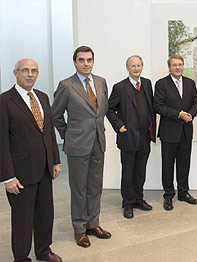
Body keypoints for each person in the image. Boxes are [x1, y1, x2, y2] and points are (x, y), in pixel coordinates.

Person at [0, 59, 62, 262]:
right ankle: (21, 257)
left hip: (44, 168)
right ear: (15, 72)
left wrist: (55, 160)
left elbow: (49, 133)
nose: (30, 74)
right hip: (20, 172)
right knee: (23, 219)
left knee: (45, 213)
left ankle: (44, 250)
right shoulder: (5, 101)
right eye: (25, 70)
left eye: (34, 71)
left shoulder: (42, 97)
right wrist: (7, 177)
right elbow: (1, 142)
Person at [52, 46, 111, 248]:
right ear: (75, 62)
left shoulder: (101, 82)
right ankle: (79, 228)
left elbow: (102, 110)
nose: (86, 63)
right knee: (79, 188)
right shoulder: (66, 85)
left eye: (89, 60)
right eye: (81, 60)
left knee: (95, 186)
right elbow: (55, 115)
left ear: (93, 61)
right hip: (77, 144)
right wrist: (67, 134)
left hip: (98, 141)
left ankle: (93, 224)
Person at [106, 55, 156, 219]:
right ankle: (128, 203)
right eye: (133, 66)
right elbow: (109, 109)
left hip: (144, 136)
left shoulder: (147, 84)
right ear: (127, 68)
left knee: (140, 171)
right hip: (128, 137)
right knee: (128, 172)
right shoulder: (120, 87)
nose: (136, 68)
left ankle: (138, 199)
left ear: (142, 67)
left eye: (139, 65)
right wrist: (119, 126)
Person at [154, 54, 197, 211]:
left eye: (180, 64)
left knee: (184, 164)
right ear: (169, 67)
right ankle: (168, 196)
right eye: (174, 65)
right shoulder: (161, 84)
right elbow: (158, 106)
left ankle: (183, 193)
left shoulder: (190, 83)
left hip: (186, 131)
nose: (177, 67)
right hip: (169, 132)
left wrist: (191, 115)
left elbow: (196, 102)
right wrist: (178, 114)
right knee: (167, 166)